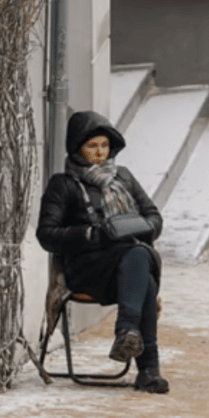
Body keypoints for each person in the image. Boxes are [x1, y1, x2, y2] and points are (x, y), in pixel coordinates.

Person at [36, 110, 169, 394]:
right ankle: (147, 368)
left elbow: (154, 217)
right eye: (92, 146)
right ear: (77, 149)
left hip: (125, 268)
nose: (99, 152)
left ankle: (128, 334)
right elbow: (46, 235)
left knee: (139, 259)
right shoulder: (64, 184)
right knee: (141, 266)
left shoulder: (124, 177)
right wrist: (90, 234)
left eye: (104, 146)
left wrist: (138, 227)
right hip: (86, 269)